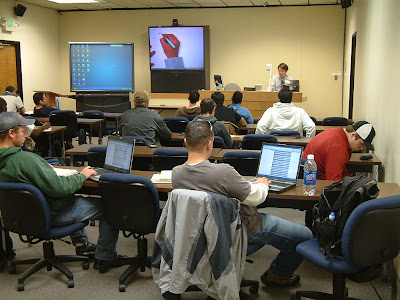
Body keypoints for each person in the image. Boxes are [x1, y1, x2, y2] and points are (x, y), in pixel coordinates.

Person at [172, 120, 313, 287]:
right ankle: (278, 275)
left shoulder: (177, 173)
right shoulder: (223, 172)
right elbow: (255, 198)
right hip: (238, 228)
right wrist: (261, 184)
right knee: (304, 235)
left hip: (200, 232)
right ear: (210, 144)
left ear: (186, 141)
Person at [0, 112, 126, 268]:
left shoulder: (18, 160)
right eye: (23, 131)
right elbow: (61, 189)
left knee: (73, 197)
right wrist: (82, 175)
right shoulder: (25, 160)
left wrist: (42, 168)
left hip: (20, 217)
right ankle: (106, 256)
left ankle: (82, 244)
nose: (26, 135)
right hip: (51, 214)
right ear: (11, 133)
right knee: (109, 207)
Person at [302, 121, 376, 180]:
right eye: (361, 144)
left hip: (308, 174)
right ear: (353, 135)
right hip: (313, 180)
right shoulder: (338, 147)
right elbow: (333, 180)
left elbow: (340, 169)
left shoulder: (336, 133)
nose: (361, 148)